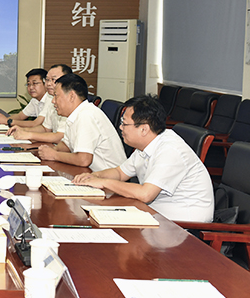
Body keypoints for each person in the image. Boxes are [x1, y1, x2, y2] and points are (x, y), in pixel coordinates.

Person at [72, 95, 214, 223]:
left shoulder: (170, 150)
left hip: (183, 225)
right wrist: (94, 176)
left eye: (124, 123)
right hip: (155, 214)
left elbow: (146, 194)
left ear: (144, 129)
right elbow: (120, 173)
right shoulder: (146, 144)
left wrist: (104, 182)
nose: (120, 127)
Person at [37, 73, 127, 171]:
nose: (53, 101)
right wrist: (53, 150)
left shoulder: (86, 115)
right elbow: (67, 144)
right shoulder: (76, 114)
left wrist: (54, 155)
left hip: (109, 177)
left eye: (56, 96)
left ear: (71, 96)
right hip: (92, 173)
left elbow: (84, 159)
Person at [7, 64, 72, 143]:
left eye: (53, 79)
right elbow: (45, 129)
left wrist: (29, 135)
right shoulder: (53, 101)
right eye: (47, 80)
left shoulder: (71, 105)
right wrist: (23, 130)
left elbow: (60, 137)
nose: (48, 84)